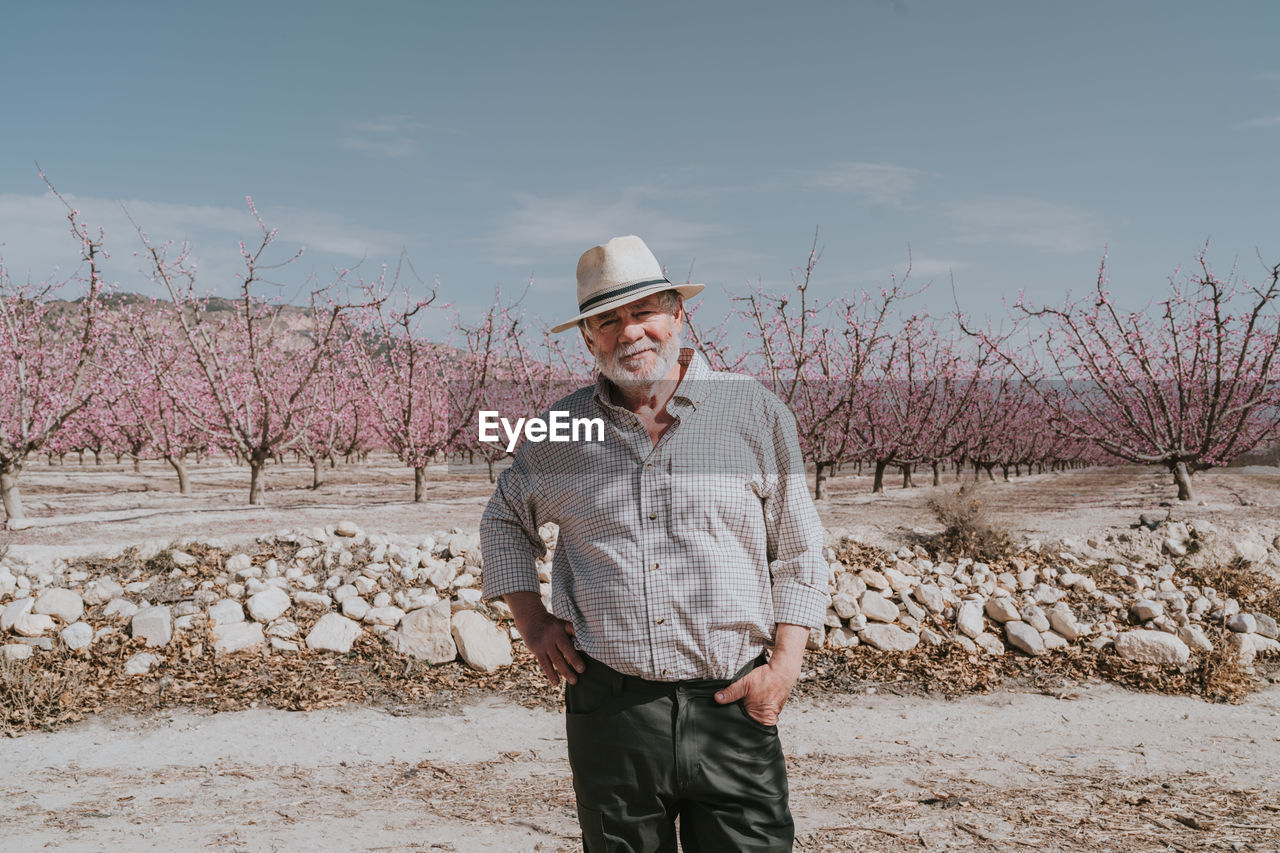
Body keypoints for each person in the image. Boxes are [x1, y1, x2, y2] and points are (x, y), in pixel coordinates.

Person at [480, 235, 828, 852]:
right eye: (607, 320)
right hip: (612, 711)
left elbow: (800, 548)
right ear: (588, 338)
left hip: (734, 704)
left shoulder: (755, 411)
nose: (630, 332)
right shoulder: (561, 430)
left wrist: (784, 668)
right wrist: (533, 624)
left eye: (643, 312)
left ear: (677, 314)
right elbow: (504, 521)